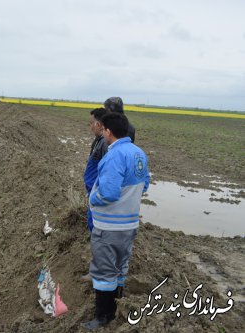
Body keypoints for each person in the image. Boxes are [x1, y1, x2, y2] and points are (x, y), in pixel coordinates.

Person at [81, 112, 150, 330]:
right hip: (129, 223)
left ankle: (103, 316)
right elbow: (145, 184)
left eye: (103, 130)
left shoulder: (113, 156)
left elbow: (108, 193)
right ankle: (117, 304)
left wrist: (93, 198)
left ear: (108, 132)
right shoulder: (139, 153)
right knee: (121, 266)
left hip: (109, 225)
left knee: (104, 270)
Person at [83, 107, 109, 232]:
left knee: (95, 221)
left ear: (98, 124)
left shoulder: (104, 143)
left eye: (91, 123)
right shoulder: (98, 140)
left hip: (96, 191)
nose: (90, 126)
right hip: (92, 189)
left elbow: (107, 170)